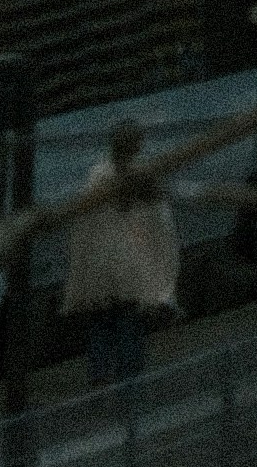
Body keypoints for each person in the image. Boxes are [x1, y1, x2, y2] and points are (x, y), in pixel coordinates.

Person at [53, 118, 181, 383]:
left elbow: (82, 230)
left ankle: (99, 381)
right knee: (129, 328)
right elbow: (161, 226)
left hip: (100, 266)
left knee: (100, 326)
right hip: (132, 266)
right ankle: (129, 392)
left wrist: (80, 276)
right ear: (137, 145)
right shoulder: (145, 177)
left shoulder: (95, 178)